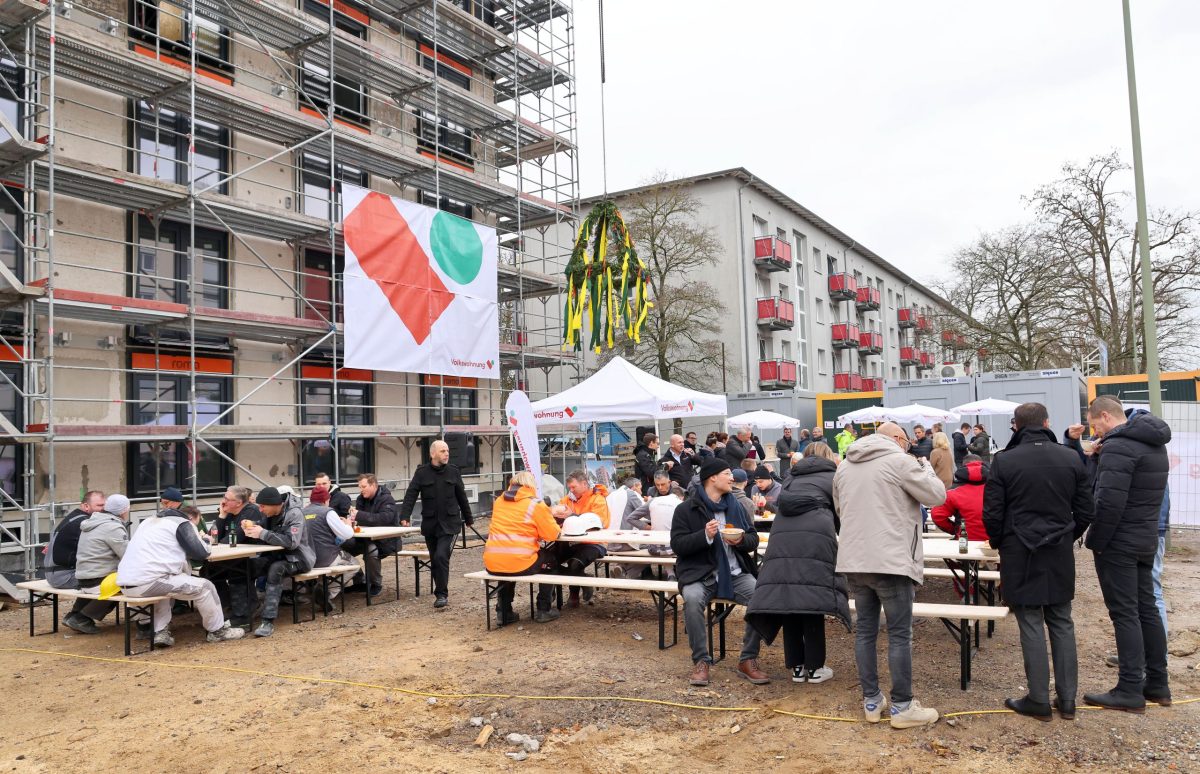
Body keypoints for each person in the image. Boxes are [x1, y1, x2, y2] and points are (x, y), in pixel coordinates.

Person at [982, 402, 1094, 721]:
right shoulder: (1070, 456)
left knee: (1030, 620)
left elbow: (992, 513)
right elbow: (1086, 509)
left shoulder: (1004, 460)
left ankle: (1039, 699)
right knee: (1061, 620)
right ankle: (1067, 699)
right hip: (1057, 547)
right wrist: (1067, 536)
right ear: (1046, 422)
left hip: (1020, 549)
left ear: (1016, 426)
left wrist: (1000, 542)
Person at [834, 421, 947, 728]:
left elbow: (840, 509)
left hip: (855, 559)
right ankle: (902, 706)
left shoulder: (844, 466)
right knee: (899, 634)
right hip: (891, 559)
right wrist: (925, 467)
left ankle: (871, 701)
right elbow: (937, 495)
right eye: (907, 441)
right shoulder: (900, 461)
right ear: (898, 439)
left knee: (866, 631)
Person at [1080, 396, 1171, 712]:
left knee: (1125, 614)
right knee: (1146, 609)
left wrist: (1096, 541)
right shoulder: (1153, 443)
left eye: (1095, 425)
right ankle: (1158, 683)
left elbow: (1108, 503)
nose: (1096, 432)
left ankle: (1130, 688)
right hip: (1145, 538)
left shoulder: (1119, 447)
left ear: (1105, 416)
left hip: (1118, 542)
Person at [747, 442, 850, 684]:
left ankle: (796, 667)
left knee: (789, 598)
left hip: (782, 536)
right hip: (815, 538)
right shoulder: (833, 477)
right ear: (827, 457)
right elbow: (840, 514)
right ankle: (815, 668)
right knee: (811, 598)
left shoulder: (791, 478)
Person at [670, 457, 766, 688]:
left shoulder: (737, 506)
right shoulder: (686, 509)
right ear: (712, 477)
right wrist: (705, 536)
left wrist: (742, 539)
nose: (732, 477)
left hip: (735, 573)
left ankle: (748, 659)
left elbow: (753, 538)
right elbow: (678, 545)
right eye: (727, 473)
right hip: (700, 575)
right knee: (692, 600)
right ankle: (701, 661)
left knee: (761, 599)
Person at [117, 506, 245, 646]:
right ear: (191, 519)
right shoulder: (181, 523)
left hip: (125, 583)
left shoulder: (149, 522)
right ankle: (217, 631)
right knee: (206, 587)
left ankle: (160, 632)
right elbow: (201, 553)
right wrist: (206, 541)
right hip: (150, 582)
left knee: (168, 589)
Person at [400, 440, 474, 609]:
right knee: (435, 558)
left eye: (447, 450)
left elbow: (462, 496)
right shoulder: (422, 473)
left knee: (441, 556)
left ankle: (441, 594)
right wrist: (405, 515)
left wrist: (468, 519)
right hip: (431, 524)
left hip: (449, 523)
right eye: (442, 451)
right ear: (433, 454)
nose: (446, 453)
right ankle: (440, 590)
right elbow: (411, 494)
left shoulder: (454, 472)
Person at [484, 471, 563, 625]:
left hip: (492, 561)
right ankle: (543, 609)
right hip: (520, 561)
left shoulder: (499, 502)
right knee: (551, 560)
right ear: (531, 486)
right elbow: (553, 534)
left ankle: (503, 612)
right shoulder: (536, 504)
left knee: (506, 567)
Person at [239, 486, 315, 637]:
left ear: (275, 504)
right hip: (277, 556)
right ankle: (242, 613)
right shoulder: (271, 513)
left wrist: (263, 533)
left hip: (300, 559)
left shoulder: (294, 514)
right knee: (245, 568)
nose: (260, 509)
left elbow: (292, 542)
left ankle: (267, 621)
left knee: (276, 569)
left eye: (263, 506)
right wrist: (252, 524)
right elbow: (263, 526)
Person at [64, 494, 132, 635]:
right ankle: (82, 618)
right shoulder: (113, 527)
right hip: (98, 581)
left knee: (103, 577)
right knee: (128, 584)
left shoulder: (93, 522)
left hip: (82, 578)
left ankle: (74, 614)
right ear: (124, 511)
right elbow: (128, 555)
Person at [551, 470, 610, 607]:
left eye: (573, 487)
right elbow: (557, 519)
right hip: (570, 541)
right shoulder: (567, 499)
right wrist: (555, 515)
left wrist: (572, 516)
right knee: (548, 560)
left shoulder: (597, 499)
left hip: (595, 542)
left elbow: (600, 523)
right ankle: (583, 580)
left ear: (584, 484)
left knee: (574, 564)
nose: (571, 490)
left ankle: (573, 596)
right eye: (569, 487)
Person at [302, 485, 359, 612]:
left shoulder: (302, 512)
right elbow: (347, 534)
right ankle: (327, 593)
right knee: (355, 564)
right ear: (326, 500)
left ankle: (320, 589)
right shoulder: (328, 512)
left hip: (306, 559)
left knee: (330, 565)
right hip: (325, 558)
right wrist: (348, 524)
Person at [345, 473, 398, 597]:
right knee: (342, 547)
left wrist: (359, 515)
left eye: (363, 487)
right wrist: (349, 521)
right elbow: (361, 520)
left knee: (371, 551)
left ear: (373, 485)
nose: (361, 490)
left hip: (386, 540)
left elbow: (385, 519)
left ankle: (376, 584)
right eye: (360, 487)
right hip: (364, 538)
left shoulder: (387, 499)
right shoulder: (360, 499)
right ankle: (360, 580)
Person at [43, 490, 105, 593]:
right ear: (86, 506)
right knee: (111, 582)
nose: (103, 509)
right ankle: (84, 609)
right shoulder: (85, 523)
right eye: (99, 506)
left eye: (104, 505)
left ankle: (81, 609)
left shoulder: (73, 517)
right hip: (65, 577)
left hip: (53, 574)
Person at [930, 458, 990, 540]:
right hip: (994, 543)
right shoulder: (998, 491)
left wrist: (955, 529)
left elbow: (937, 515)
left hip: (964, 542)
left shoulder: (953, 493)